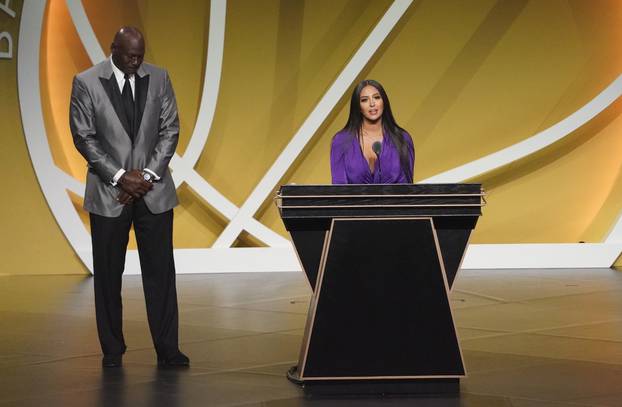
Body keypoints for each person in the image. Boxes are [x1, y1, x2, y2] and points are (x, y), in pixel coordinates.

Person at [69, 26, 189, 368]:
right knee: (108, 274)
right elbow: (84, 136)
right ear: (114, 49)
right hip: (111, 194)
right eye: (130, 55)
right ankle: (112, 349)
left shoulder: (160, 78)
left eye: (140, 55)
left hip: (154, 191)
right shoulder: (87, 82)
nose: (137, 61)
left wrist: (147, 176)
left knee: (161, 273)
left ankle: (168, 348)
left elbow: (170, 129)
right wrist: (121, 177)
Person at [330, 79, 414, 184]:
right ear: (358, 107)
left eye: (377, 97)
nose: (372, 104)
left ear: (384, 102)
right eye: (364, 100)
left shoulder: (402, 139)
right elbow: (339, 190)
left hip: (394, 201)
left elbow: (407, 189)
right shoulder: (341, 141)